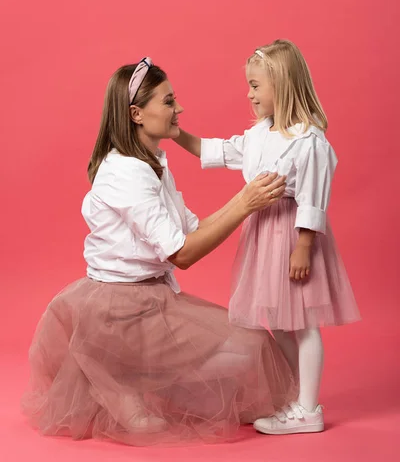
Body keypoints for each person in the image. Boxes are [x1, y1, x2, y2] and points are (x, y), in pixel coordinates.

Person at [21, 58, 297, 447]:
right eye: (169, 102)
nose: (179, 109)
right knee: (249, 352)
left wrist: (249, 203)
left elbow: (193, 228)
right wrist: (244, 203)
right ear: (136, 113)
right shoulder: (125, 173)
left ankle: (127, 378)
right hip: (119, 311)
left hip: (152, 300)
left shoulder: (154, 164)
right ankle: (118, 375)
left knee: (252, 348)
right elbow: (181, 254)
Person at [175, 40, 361, 435]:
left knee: (304, 324)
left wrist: (304, 247)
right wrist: (177, 136)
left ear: (281, 84)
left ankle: (308, 409)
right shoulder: (261, 134)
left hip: (293, 238)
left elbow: (313, 198)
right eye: (249, 85)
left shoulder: (307, 140)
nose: (249, 93)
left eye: (256, 85)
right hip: (264, 235)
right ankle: (294, 397)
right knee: (280, 321)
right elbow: (222, 151)